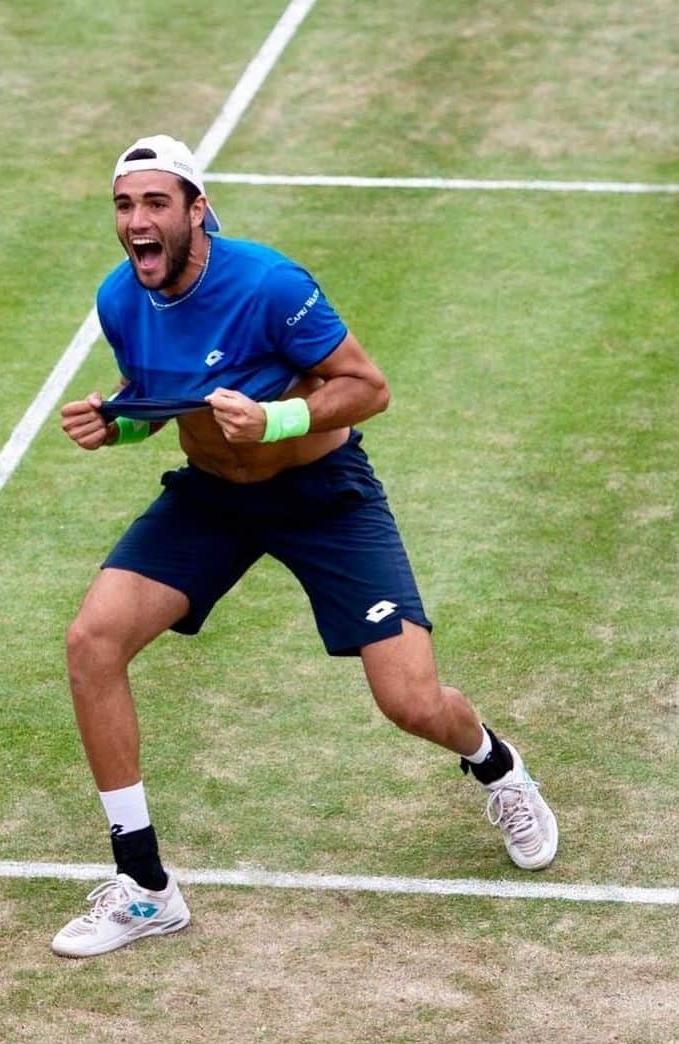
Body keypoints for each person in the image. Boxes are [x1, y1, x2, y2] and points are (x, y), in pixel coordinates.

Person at [52, 134, 558, 958]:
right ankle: (146, 888)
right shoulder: (120, 299)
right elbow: (160, 400)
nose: (137, 221)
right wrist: (117, 422)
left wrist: (278, 419)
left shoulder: (269, 284)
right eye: (123, 205)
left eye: (155, 203)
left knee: (410, 702)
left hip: (323, 499)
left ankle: (498, 767)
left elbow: (368, 387)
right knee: (91, 642)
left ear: (196, 209)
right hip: (213, 499)